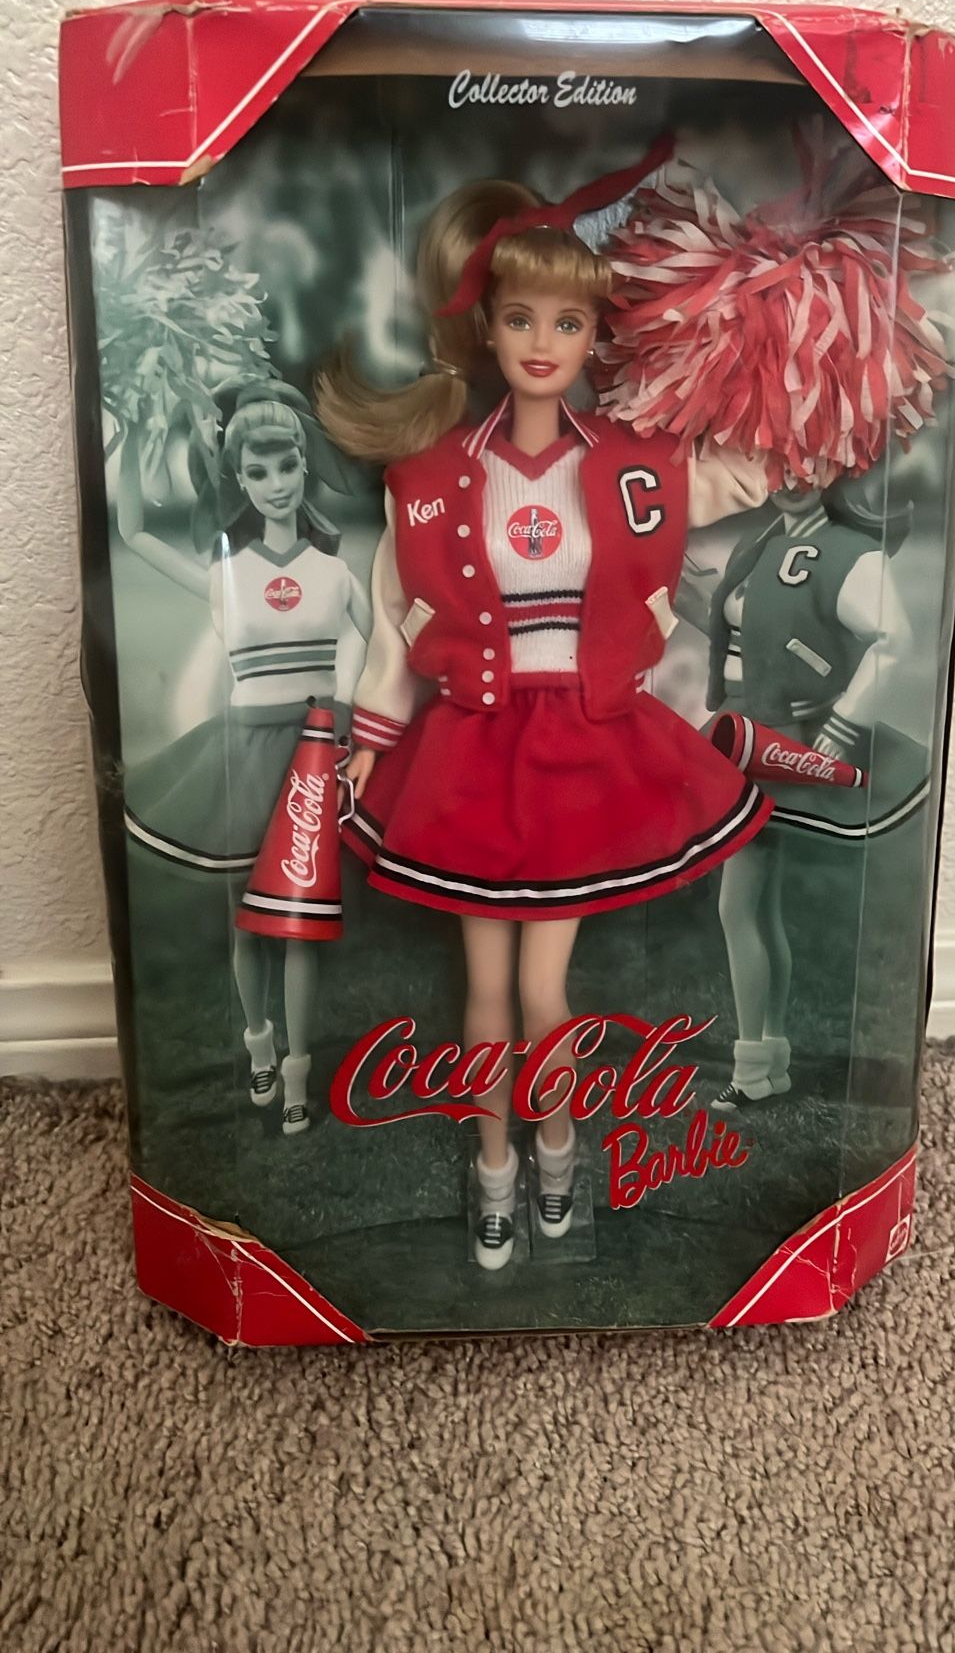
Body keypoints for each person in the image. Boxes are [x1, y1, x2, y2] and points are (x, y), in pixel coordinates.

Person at [316, 148, 773, 1270]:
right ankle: (494, 1170)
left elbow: (757, 464)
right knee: (484, 986)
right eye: (520, 318)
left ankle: (556, 1151)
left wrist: (784, 340)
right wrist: (372, 740)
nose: (541, 344)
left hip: (586, 744)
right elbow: (396, 626)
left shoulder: (637, 464)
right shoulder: (429, 478)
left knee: (540, 983)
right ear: (486, 328)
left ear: (591, 336)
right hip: (472, 745)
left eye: (567, 324)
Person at [117, 382, 370, 1135]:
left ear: (304, 463)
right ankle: (258, 1039)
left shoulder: (334, 569)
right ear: (239, 478)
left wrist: (350, 705)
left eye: (286, 465)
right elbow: (133, 531)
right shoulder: (225, 573)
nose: (276, 483)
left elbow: (379, 631)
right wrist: (135, 425)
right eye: (257, 471)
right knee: (248, 922)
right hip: (242, 753)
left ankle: (298, 1072)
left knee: (298, 919)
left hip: (312, 757)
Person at [707, 480, 912, 1110]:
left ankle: (753, 1069)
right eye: (780, 460)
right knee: (757, 905)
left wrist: (842, 724)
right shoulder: (760, 541)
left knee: (738, 907)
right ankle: (770, 1063)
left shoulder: (849, 552)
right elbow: (751, 637)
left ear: (835, 466)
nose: (793, 478)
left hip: (780, 742)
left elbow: (895, 639)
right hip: (744, 731)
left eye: (810, 460)